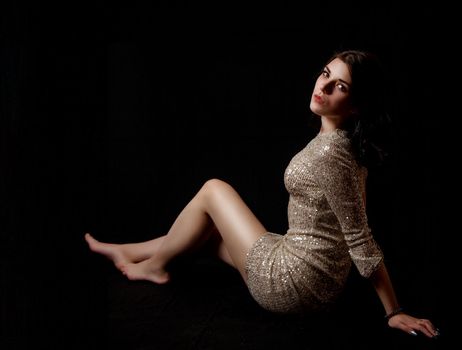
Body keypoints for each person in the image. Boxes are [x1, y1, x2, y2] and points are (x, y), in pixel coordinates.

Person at [85, 50, 439, 339]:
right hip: (311, 275)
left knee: (213, 190)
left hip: (296, 285)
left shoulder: (332, 153)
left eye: (340, 86)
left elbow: (360, 239)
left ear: (357, 106)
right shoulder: (341, 146)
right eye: (325, 74)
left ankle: (156, 267)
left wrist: (394, 311)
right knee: (206, 235)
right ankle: (128, 251)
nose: (324, 86)